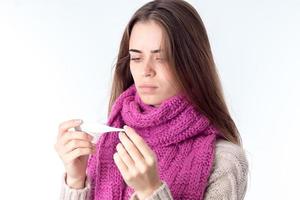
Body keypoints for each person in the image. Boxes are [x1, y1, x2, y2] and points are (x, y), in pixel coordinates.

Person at [55, 0, 249, 199]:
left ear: (191, 63)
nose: (145, 71)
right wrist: (76, 181)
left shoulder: (225, 160)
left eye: (161, 57)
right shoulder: (102, 143)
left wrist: (150, 191)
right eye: (136, 58)